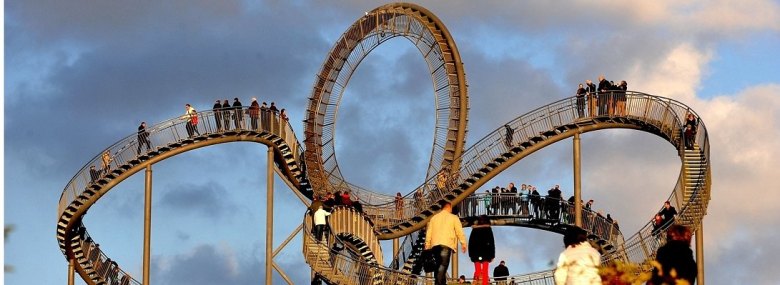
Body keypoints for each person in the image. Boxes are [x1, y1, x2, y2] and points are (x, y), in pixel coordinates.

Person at [425, 202, 467, 285]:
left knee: (438, 266)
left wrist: (427, 244)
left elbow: (429, 232)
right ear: (449, 207)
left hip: (435, 245)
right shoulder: (453, 217)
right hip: (446, 244)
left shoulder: (434, 218)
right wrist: (463, 243)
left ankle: (442, 283)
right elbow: (459, 231)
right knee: (442, 266)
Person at [468, 215, 495, 285]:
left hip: (475, 253)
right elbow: (492, 242)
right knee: (485, 271)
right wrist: (492, 255)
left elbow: (471, 242)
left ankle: (476, 282)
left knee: (477, 271)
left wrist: (470, 254)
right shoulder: (488, 229)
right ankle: (485, 283)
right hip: (486, 253)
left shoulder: (475, 229)